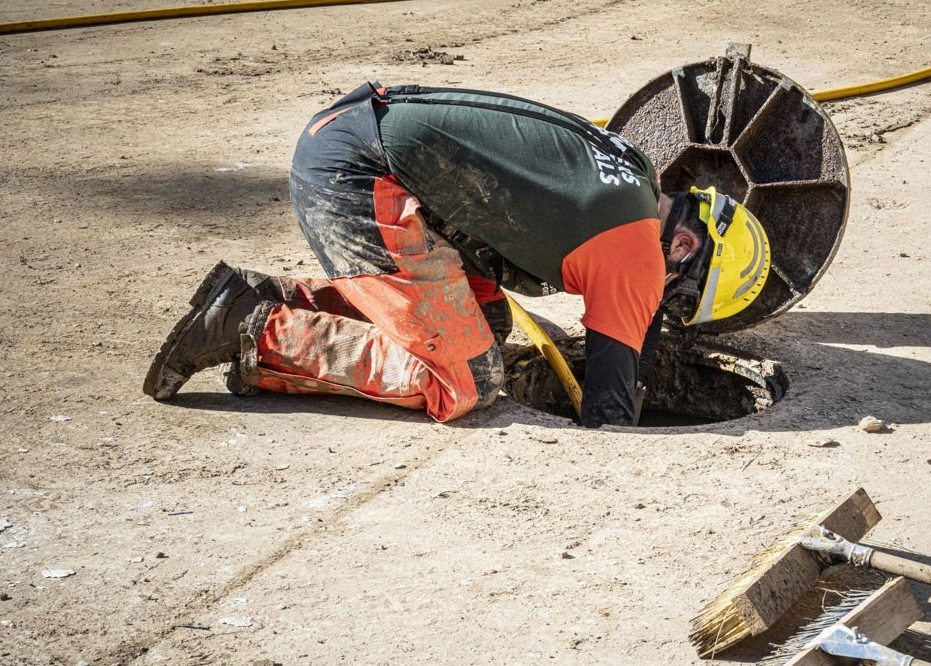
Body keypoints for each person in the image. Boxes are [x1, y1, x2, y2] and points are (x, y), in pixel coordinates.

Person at [143, 82, 771, 427]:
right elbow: (608, 410)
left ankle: (270, 299)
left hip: (357, 139)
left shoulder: (632, 174)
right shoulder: (636, 255)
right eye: (679, 294)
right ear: (684, 246)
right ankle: (253, 328)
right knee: (469, 380)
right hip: (364, 178)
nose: (661, 301)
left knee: (488, 330)